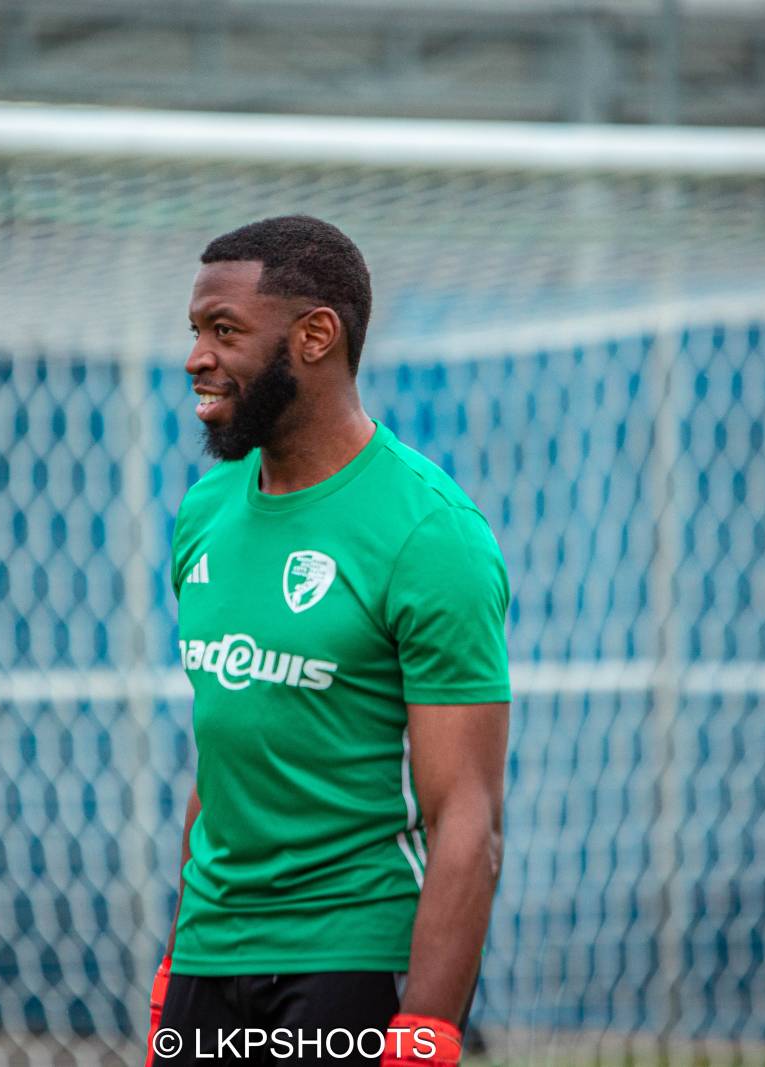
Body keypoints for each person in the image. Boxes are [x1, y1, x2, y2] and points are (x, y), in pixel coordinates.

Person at [147, 215, 510, 1067]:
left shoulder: (429, 532)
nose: (196, 357)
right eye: (195, 330)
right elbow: (229, 752)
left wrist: (426, 1030)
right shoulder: (205, 511)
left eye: (224, 330)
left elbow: (467, 817)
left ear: (316, 336)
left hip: (351, 952)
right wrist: (176, 956)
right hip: (209, 952)